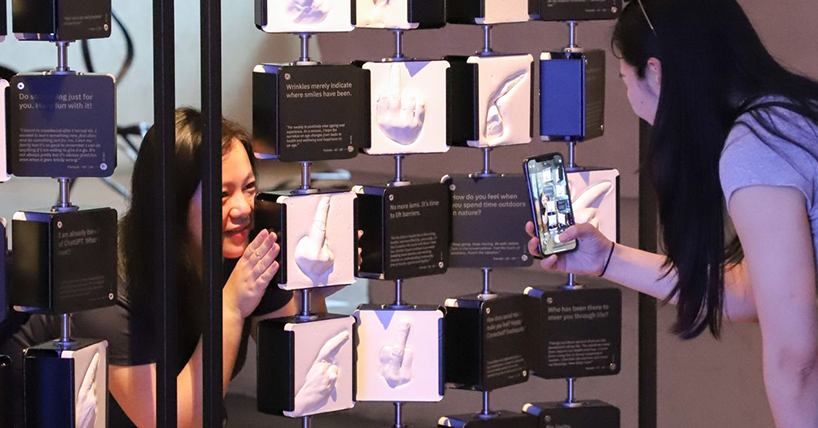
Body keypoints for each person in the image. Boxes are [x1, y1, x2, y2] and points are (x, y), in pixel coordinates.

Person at [527, 0, 818, 426]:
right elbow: (752, 291)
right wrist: (607, 258)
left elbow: (795, 358)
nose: (631, 98)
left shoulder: (756, 151)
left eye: (626, 79)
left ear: (655, 73)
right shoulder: (791, 116)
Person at [0, 108, 301, 428]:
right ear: (170, 201)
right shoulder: (107, 284)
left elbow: (295, 373)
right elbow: (175, 422)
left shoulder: (242, 249)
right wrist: (229, 308)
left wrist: (312, 288)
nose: (243, 208)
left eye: (249, 187)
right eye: (222, 194)